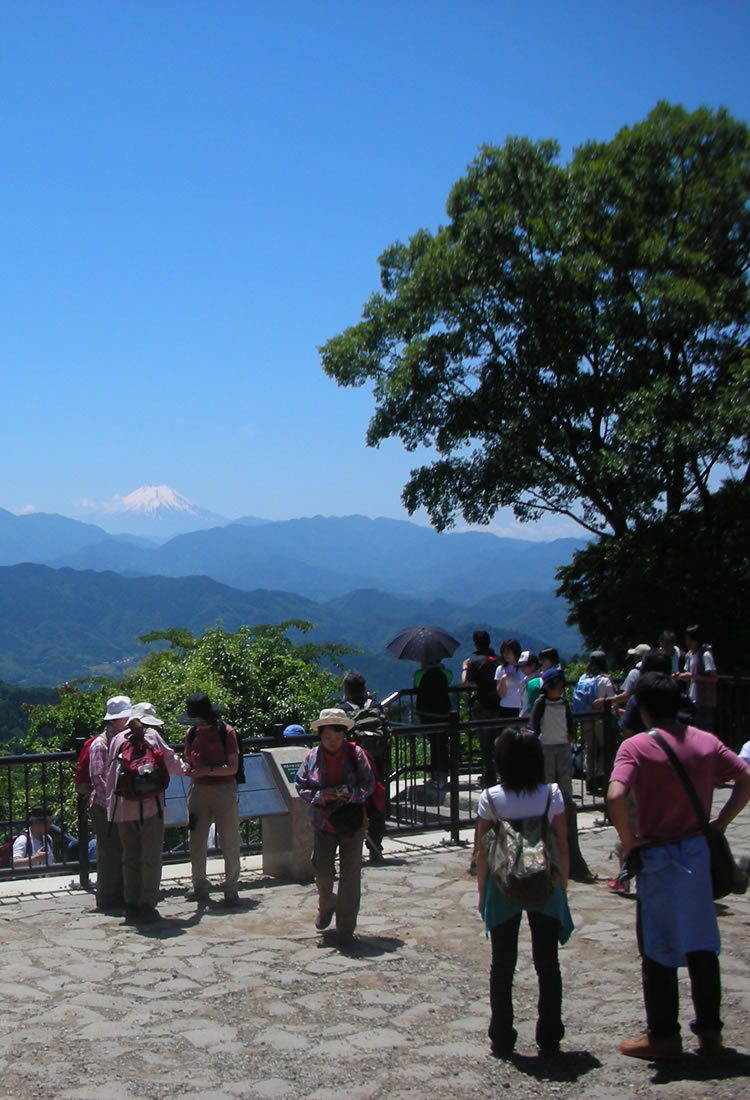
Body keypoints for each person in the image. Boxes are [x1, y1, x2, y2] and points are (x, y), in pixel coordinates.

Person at [608, 672, 750, 1059]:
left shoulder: (635, 747)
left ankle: (664, 1035)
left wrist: (629, 839)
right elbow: (746, 777)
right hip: (696, 852)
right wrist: (719, 822)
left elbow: (616, 795)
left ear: (644, 708)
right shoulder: (706, 742)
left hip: (656, 856)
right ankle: (710, 1034)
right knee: (702, 944)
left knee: (656, 946)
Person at [475, 729, 572, 1057]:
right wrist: (563, 885)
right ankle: (549, 1034)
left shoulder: (490, 798)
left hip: (503, 886)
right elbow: (562, 843)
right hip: (544, 881)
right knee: (548, 962)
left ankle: (502, 1035)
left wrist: (481, 894)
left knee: (502, 964)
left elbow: (481, 851)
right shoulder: (551, 795)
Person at [296, 708, 375, 946]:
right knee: (322, 871)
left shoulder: (356, 755)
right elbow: (301, 786)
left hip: (352, 822)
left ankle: (346, 928)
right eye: (328, 737)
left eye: (337, 737)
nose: (332, 741)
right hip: (323, 822)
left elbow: (369, 785)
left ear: (344, 735)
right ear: (320, 735)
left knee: (350, 875)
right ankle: (327, 902)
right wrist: (320, 795)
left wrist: (347, 794)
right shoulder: (311, 757)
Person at [106, 702, 186, 923]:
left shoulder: (117, 740)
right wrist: (190, 770)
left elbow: (111, 774)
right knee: (151, 858)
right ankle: (147, 905)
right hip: (152, 807)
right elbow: (170, 762)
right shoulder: (152, 736)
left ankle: (130, 904)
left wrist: (111, 808)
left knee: (130, 857)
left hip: (124, 807)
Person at [530, 667, 594, 882]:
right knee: (548, 776)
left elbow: (570, 721)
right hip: (547, 744)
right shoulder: (542, 703)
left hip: (562, 745)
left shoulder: (563, 704)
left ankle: (564, 801)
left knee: (564, 776)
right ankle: (549, 801)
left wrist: (571, 735)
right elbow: (534, 722)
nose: (559, 689)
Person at [181, 692, 243, 906]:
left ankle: (231, 887)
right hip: (197, 790)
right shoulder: (191, 734)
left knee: (229, 839)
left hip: (223, 791)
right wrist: (188, 768)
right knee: (196, 840)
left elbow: (233, 767)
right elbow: (187, 759)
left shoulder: (227, 732)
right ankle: (199, 885)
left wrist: (206, 771)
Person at [87, 694, 132, 912]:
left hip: (120, 805)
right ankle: (106, 898)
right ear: (114, 720)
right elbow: (98, 778)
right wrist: (116, 800)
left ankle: (121, 894)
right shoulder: (101, 744)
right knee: (107, 853)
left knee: (122, 850)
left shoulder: (123, 740)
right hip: (105, 807)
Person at [339, 670, 388, 860]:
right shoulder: (375, 706)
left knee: (353, 805)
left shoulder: (343, 710)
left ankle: (352, 848)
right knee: (376, 804)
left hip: (353, 766)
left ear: (346, 690)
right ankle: (376, 847)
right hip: (377, 763)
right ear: (364, 688)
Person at [461, 631, 500, 789]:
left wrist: (464, 667)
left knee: (485, 742)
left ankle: (489, 775)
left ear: (475, 643)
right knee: (498, 741)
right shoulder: (498, 660)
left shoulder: (475, 662)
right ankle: (500, 771)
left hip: (482, 705)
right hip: (499, 705)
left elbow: (465, 683)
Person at [573, 652, 616, 793]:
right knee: (605, 748)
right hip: (601, 719)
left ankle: (589, 778)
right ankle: (601, 775)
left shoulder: (583, 678)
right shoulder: (604, 680)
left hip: (585, 717)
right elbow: (612, 699)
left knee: (589, 748)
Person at [414, 661, 453, 787]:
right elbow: (450, 680)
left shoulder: (420, 674)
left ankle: (436, 776)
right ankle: (441, 776)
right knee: (441, 745)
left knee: (434, 745)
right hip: (443, 713)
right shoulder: (445, 673)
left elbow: (415, 686)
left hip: (426, 714)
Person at [677, 625, 718, 731]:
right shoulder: (689, 655)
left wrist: (695, 677)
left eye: (690, 640)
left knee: (704, 729)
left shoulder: (705, 655)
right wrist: (680, 676)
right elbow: (689, 676)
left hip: (703, 700)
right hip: (691, 699)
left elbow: (714, 679)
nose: (688, 643)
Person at [494, 639, 525, 718]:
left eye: (508, 652)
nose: (505, 655)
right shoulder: (500, 669)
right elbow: (501, 694)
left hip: (522, 707)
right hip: (506, 707)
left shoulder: (523, 668)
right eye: (504, 652)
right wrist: (503, 680)